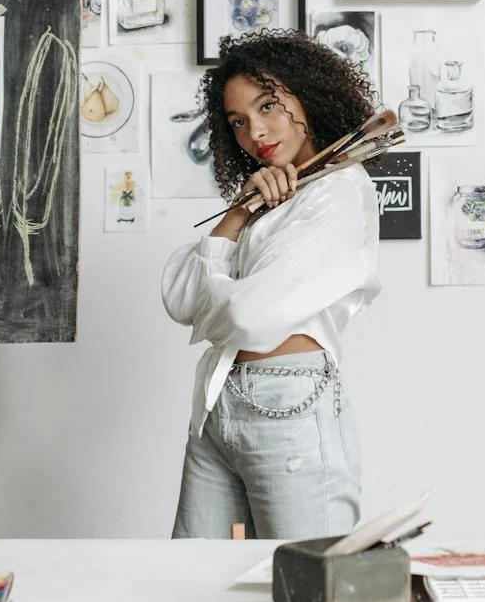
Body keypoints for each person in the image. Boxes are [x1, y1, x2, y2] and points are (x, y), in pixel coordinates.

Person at [161, 28, 382, 540]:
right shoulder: (263, 204)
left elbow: (245, 318)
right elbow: (178, 299)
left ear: (308, 95)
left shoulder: (340, 192)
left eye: (267, 106)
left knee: (308, 581)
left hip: (290, 401)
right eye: (238, 121)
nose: (255, 132)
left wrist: (213, 315)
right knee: (193, 579)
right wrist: (237, 214)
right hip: (218, 401)